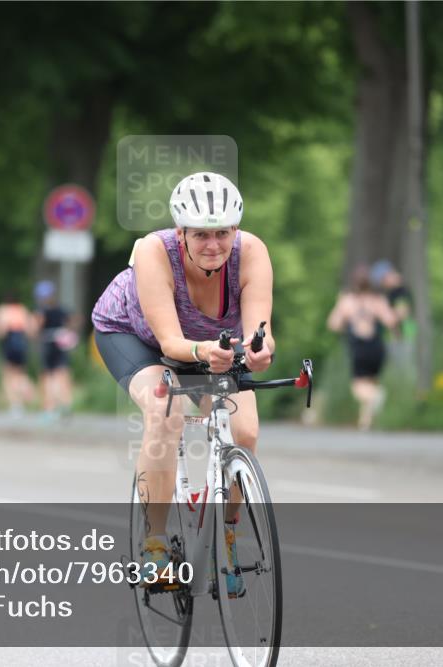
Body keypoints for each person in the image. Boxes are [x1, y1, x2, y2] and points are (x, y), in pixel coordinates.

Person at [92, 171, 272, 597]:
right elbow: (171, 343)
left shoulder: (252, 252)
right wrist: (203, 353)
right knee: (166, 411)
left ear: (235, 230)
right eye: (200, 234)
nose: (213, 245)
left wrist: (259, 351)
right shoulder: (154, 251)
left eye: (222, 233)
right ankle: (154, 545)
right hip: (136, 336)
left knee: (244, 431)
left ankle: (224, 538)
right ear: (181, 233)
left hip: (213, 346)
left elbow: (260, 331)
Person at [327, 265, 399, 431]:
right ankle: (365, 421)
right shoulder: (378, 300)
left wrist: (340, 307)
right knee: (371, 382)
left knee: (358, 387)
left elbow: (333, 324)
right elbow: (391, 321)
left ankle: (375, 397)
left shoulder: (348, 301)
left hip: (359, 347)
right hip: (376, 347)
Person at [32, 280, 75, 421]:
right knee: (62, 374)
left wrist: (34, 334)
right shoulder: (61, 309)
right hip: (61, 343)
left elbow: (37, 327)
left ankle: (49, 408)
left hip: (48, 343)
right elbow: (72, 321)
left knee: (47, 377)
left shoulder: (41, 311)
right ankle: (66, 405)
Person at [0, 291, 35, 418]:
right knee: (20, 373)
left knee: (8, 375)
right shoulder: (22, 310)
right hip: (21, 344)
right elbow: (31, 331)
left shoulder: (2, 311)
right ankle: (26, 391)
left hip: (9, 344)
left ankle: (15, 404)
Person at [370, 259, 415, 372]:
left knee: (403, 370)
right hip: (396, 338)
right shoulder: (392, 293)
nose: (383, 284)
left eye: (383, 280)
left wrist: (382, 313)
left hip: (403, 337)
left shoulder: (400, 291)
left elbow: (402, 313)